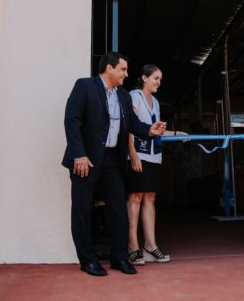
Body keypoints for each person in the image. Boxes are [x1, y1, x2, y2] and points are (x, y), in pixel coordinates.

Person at [62, 52, 166, 277]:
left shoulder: (123, 96)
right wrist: (78, 155)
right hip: (86, 159)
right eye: (123, 70)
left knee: (119, 208)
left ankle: (119, 258)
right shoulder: (85, 86)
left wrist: (149, 130)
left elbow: (132, 124)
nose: (126, 74)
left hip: (112, 160)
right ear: (109, 68)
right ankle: (88, 260)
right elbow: (72, 121)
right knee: (82, 209)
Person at [126, 64, 181, 265]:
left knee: (150, 197)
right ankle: (132, 246)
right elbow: (129, 128)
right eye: (155, 78)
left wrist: (178, 134)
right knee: (135, 197)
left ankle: (150, 245)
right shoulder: (133, 96)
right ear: (144, 78)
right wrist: (132, 155)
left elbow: (156, 131)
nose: (158, 82)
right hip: (138, 153)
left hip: (154, 155)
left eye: (160, 79)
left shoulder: (156, 103)